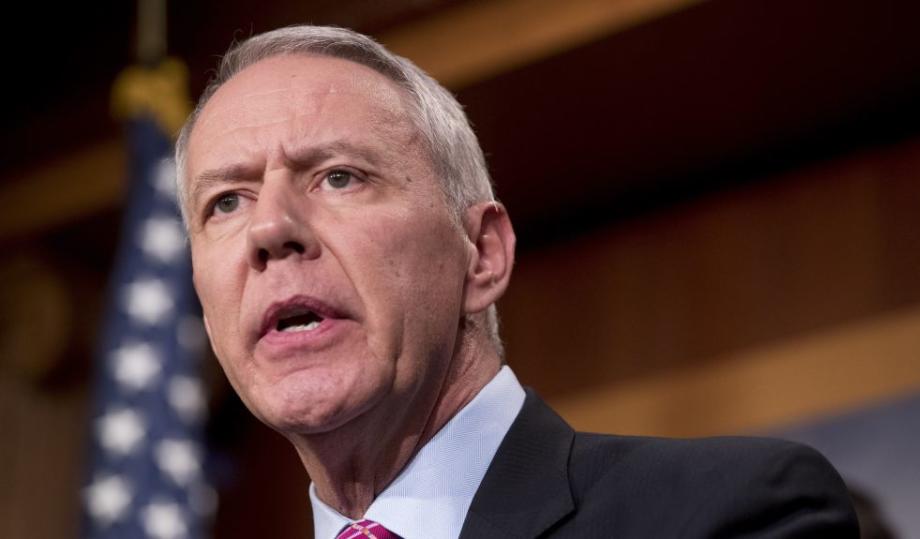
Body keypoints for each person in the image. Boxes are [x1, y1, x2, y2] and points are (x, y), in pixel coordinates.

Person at [176, 25, 859, 538]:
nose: (270, 229)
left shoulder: (731, 512)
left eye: (339, 176)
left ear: (482, 253)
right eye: (225, 202)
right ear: (208, 314)